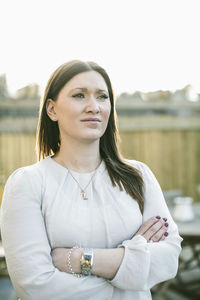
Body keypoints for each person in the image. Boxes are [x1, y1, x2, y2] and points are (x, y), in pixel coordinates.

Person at [0, 60, 183, 300]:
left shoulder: (138, 176)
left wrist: (77, 259)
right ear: (51, 109)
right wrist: (132, 272)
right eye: (79, 95)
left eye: (102, 97)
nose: (93, 107)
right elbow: (36, 286)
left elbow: (168, 259)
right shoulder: (27, 184)